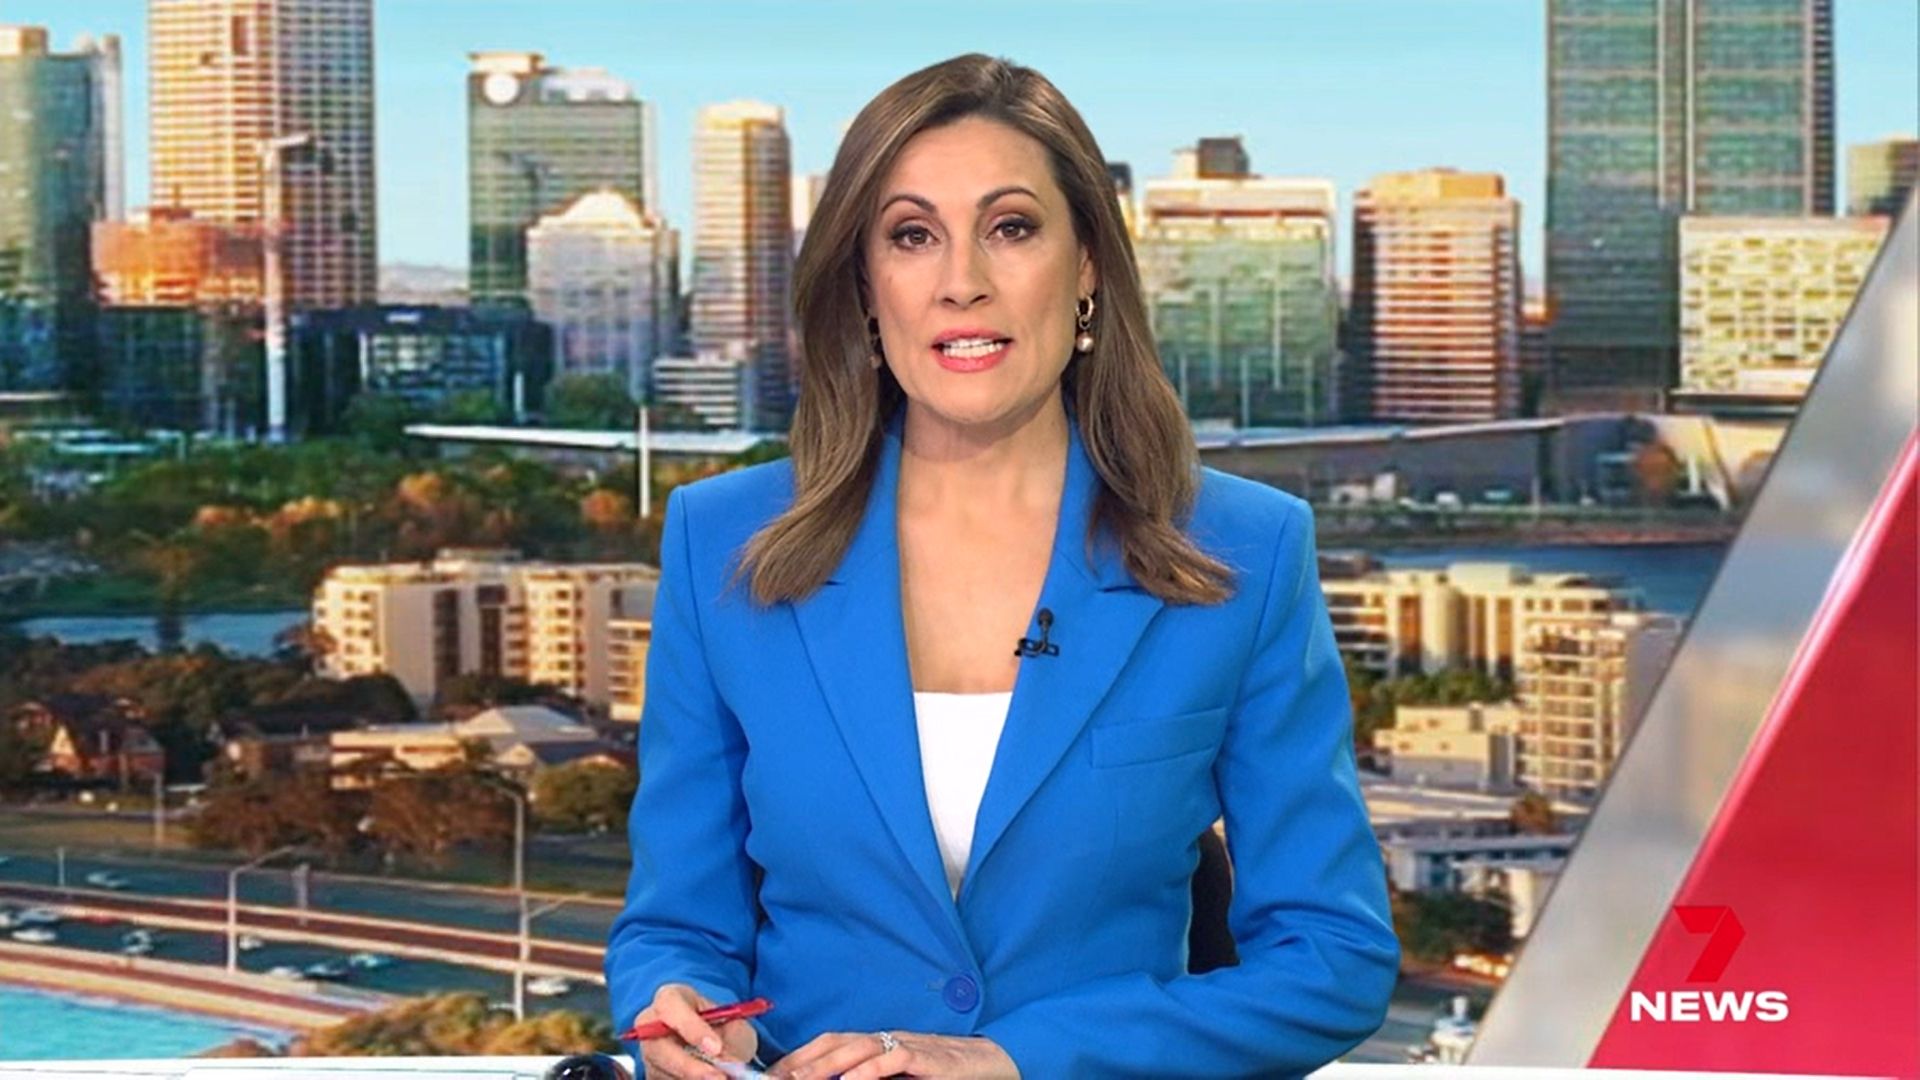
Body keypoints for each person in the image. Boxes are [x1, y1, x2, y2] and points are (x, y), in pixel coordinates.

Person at [606, 52, 1400, 1080]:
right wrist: (686, 1008)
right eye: (912, 235)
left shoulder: (1243, 552)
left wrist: (1018, 1058)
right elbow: (677, 925)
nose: (962, 281)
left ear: (1087, 267)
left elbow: (1332, 959)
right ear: (865, 284)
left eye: (1012, 228)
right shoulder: (721, 542)